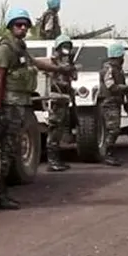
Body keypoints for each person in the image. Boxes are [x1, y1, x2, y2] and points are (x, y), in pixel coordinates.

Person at [0, 8, 74, 208]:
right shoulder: (5, 48)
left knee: (12, 151)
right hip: (10, 106)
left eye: (25, 25)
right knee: (6, 151)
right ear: (11, 26)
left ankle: (2, 193)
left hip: (20, 105)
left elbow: (35, 63)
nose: (23, 28)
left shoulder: (19, 47)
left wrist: (60, 69)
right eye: (18, 24)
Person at [46, 34, 77, 172]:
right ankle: (52, 161)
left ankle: (56, 160)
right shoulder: (52, 62)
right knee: (54, 129)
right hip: (56, 98)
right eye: (64, 46)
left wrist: (71, 65)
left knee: (59, 130)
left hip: (64, 98)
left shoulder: (67, 62)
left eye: (68, 47)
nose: (66, 49)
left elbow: (74, 77)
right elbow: (52, 80)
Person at [98, 42, 128, 166]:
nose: (123, 59)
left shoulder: (117, 69)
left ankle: (109, 154)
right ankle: (107, 155)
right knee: (113, 130)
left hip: (114, 102)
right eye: (122, 56)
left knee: (114, 129)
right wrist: (123, 88)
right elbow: (110, 85)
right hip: (109, 102)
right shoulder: (109, 69)